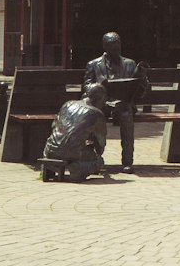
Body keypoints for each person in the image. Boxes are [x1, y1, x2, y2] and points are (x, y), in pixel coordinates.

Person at [83, 32, 149, 172]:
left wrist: (142, 80)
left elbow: (139, 92)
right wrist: (98, 85)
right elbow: (86, 87)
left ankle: (127, 162)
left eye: (118, 45)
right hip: (102, 105)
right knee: (93, 117)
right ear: (105, 46)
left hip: (122, 105)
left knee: (126, 115)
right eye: (112, 46)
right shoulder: (93, 65)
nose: (116, 48)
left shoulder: (130, 64)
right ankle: (95, 158)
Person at [42, 81, 108, 181]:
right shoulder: (97, 114)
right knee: (98, 161)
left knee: (60, 146)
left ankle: (49, 167)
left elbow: (54, 126)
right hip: (73, 152)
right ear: (100, 99)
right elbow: (100, 147)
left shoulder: (67, 104)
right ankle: (79, 168)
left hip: (50, 149)